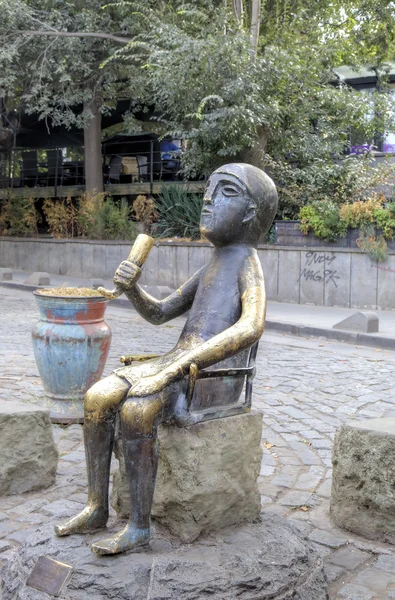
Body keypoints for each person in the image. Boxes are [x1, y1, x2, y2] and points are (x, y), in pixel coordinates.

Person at [55, 163, 278, 556]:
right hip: (179, 365)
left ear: (251, 213)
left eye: (225, 192)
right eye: (209, 190)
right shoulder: (211, 264)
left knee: (137, 412)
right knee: (96, 398)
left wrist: (175, 368)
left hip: (211, 376)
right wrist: (132, 289)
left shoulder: (247, 263)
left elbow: (250, 327)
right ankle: (96, 507)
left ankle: (140, 526)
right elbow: (160, 312)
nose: (208, 199)